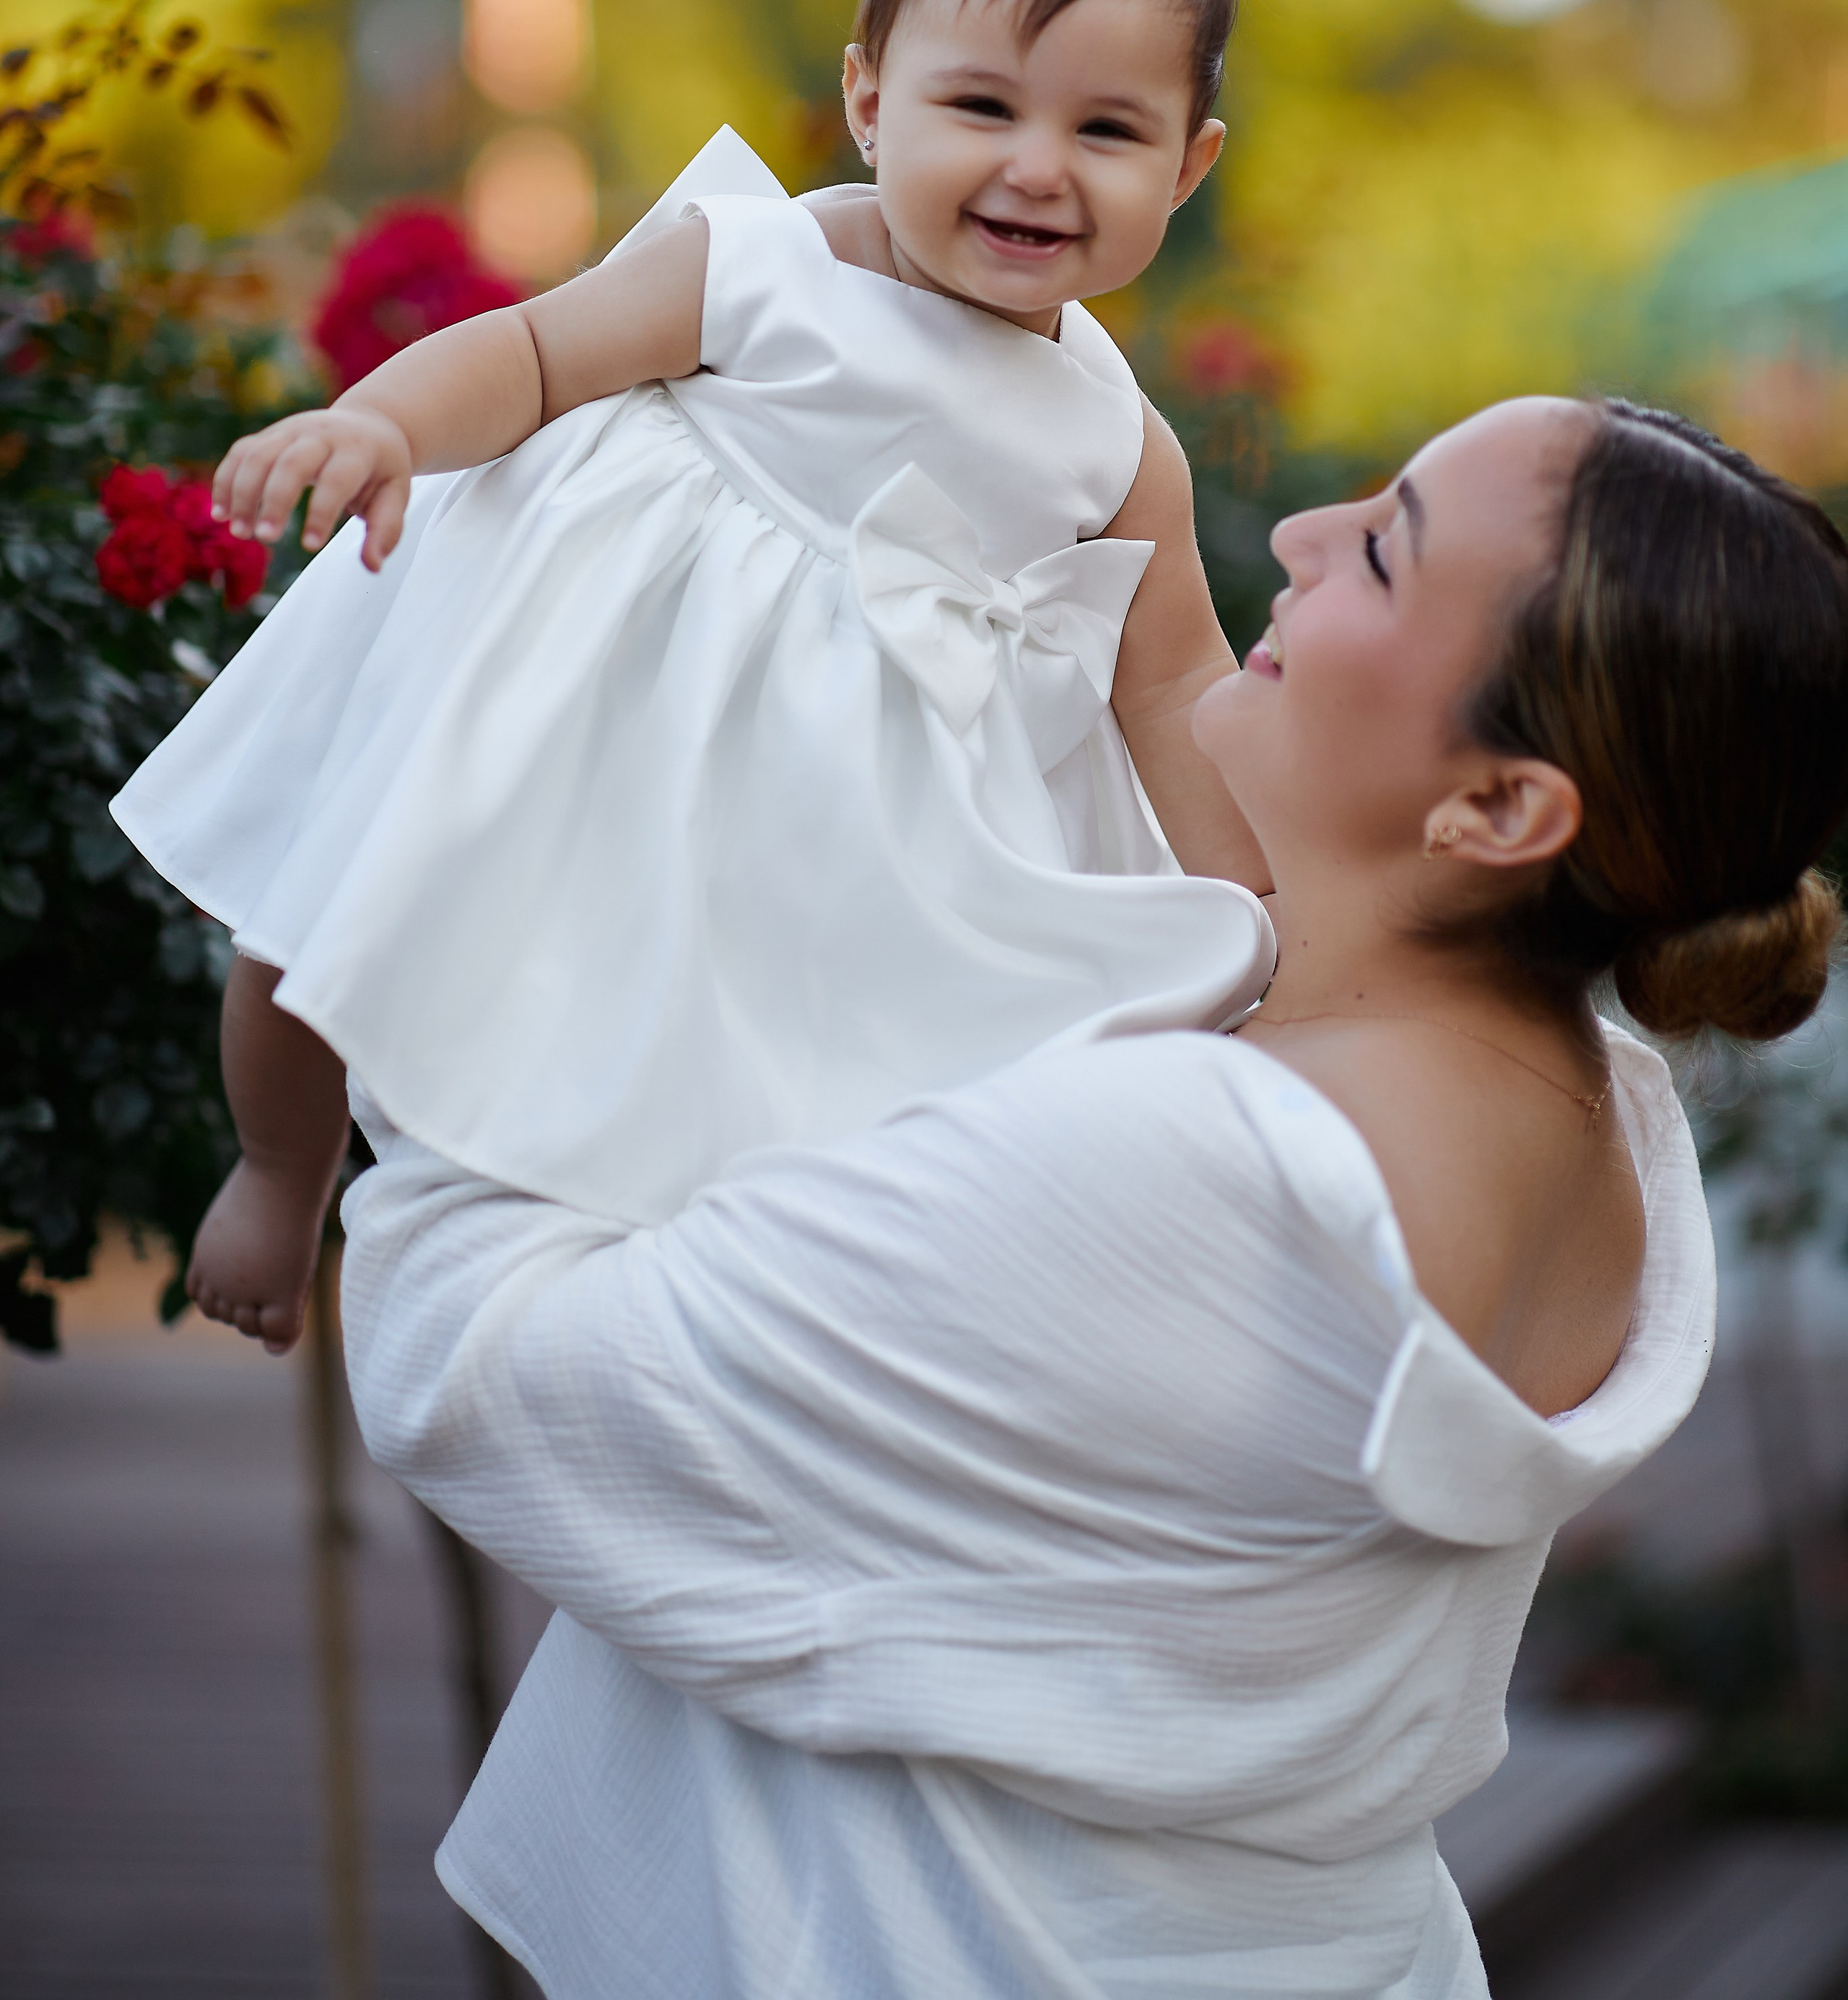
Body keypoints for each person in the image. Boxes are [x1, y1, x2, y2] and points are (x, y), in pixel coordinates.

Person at [339, 393, 1848, 2000]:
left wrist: (447, 907)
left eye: (1383, 552)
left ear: (1493, 811)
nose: (1298, 537)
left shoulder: (1208, 1177)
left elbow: (488, 1371)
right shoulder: (1587, 1118)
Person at [111, 0, 1278, 1351]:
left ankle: (733, 1279)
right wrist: (382, 424)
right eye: (981, 107)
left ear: (1186, 166)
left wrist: (1251, 902)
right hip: (601, 674)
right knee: (331, 899)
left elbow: (1172, 675)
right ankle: (278, 1160)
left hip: (837, 812)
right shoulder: (762, 265)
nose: (1035, 166)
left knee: (833, 1053)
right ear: (873, 100)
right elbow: (527, 355)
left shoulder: (1112, 434)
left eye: (1107, 129)